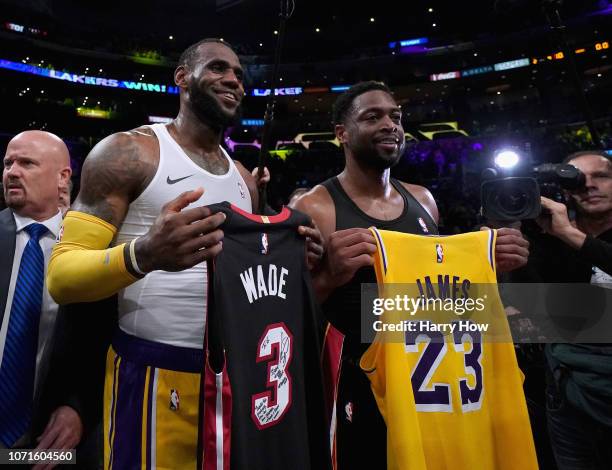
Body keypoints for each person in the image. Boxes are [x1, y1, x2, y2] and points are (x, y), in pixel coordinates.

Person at [46, 38, 322, 469]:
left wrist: (301, 253)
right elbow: (61, 277)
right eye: (217, 68)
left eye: (238, 74)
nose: (233, 79)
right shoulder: (127, 153)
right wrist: (144, 254)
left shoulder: (246, 181)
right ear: (181, 78)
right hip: (149, 368)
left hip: (233, 375)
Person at [291, 81, 530, 468]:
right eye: (373, 117)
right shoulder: (316, 206)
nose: (391, 125)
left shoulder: (424, 200)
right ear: (342, 134)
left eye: (396, 117)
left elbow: (436, 299)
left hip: (425, 378)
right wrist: (328, 278)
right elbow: (289, 315)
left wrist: (489, 267)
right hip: (356, 378)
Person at [518, 150, 612, 470]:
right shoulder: (551, 239)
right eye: (578, 178)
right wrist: (520, 238)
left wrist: (570, 234)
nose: (589, 185)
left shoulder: (566, 234)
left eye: (601, 176)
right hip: (569, 398)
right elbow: (526, 311)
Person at [0, 130, 82, 453]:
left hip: (46, 442)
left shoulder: (89, 248)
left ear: (63, 178)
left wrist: (79, 407)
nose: (12, 172)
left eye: (27, 163)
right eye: (8, 163)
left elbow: (100, 342)